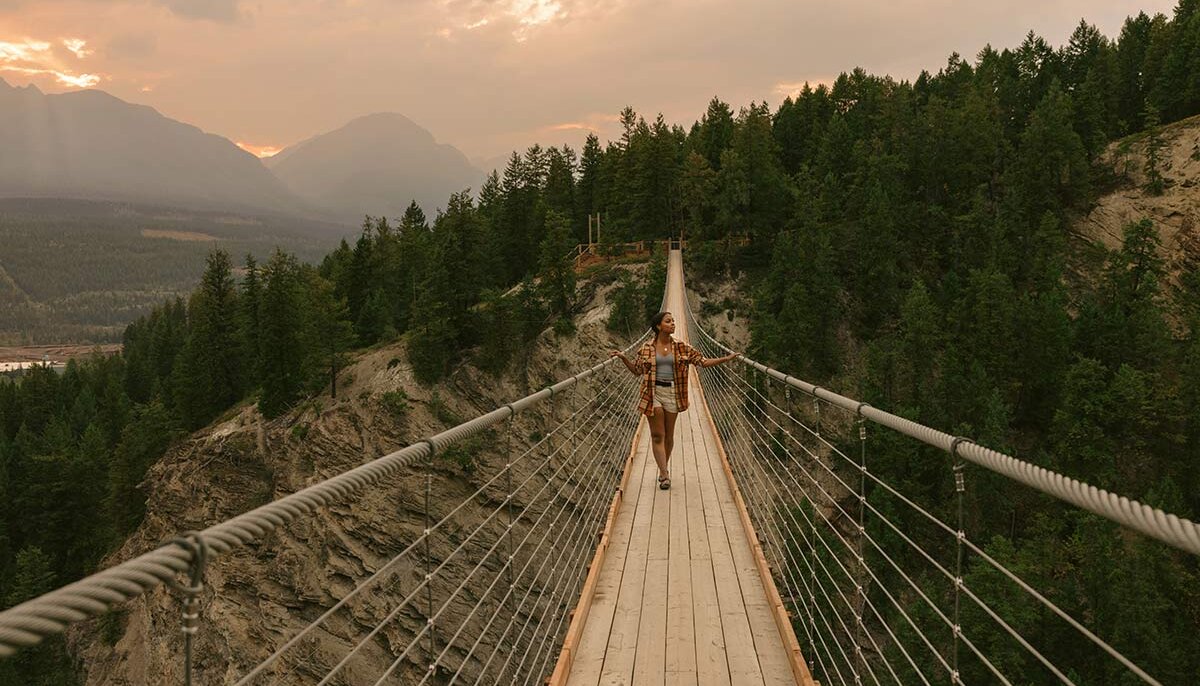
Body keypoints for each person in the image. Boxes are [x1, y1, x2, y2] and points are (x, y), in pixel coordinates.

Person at [610, 311, 739, 490]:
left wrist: (725, 359)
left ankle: (664, 466)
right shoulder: (646, 348)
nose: (673, 324)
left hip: (673, 393)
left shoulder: (681, 347)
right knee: (657, 435)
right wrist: (624, 358)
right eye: (668, 321)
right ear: (658, 326)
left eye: (674, 321)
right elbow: (637, 371)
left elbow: (702, 361)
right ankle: (664, 474)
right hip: (653, 393)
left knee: (669, 436)